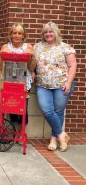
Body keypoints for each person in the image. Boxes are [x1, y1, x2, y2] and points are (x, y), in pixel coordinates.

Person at [32, 22, 76, 152]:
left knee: (58, 112)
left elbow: (72, 66)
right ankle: (62, 135)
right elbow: (32, 62)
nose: (48, 34)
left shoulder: (65, 47)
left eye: (51, 31)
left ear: (56, 33)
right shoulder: (38, 47)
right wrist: (33, 71)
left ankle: (54, 139)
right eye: (45, 32)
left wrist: (68, 82)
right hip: (43, 85)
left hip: (61, 85)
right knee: (47, 110)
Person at [0, 23, 34, 131]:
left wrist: (33, 57)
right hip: (9, 80)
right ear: (11, 34)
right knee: (11, 105)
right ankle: (14, 132)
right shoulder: (5, 47)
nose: (17, 35)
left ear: (23, 35)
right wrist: (1, 54)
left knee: (23, 107)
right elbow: (0, 66)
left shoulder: (28, 47)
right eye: (14, 33)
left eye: (20, 33)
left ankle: (21, 132)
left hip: (23, 81)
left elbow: (31, 68)